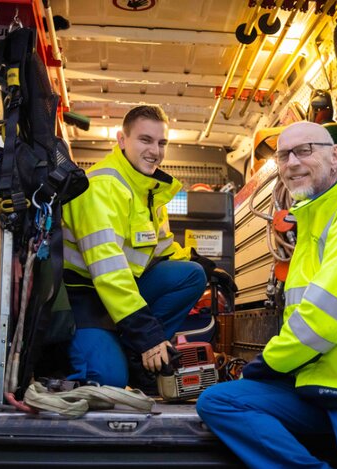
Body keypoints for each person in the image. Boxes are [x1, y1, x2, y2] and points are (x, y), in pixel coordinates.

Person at [197, 121, 337, 468]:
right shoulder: (311, 223)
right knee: (220, 401)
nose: (292, 162)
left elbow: (321, 322)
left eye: (305, 150)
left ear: (335, 154)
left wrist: (263, 368)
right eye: (283, 156)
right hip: (320, 388)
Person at [62, 105, 220, 391]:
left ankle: (137, 354)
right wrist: (147, 334)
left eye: (162, 143)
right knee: (109, 381)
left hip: (124, 292)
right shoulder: (102, 186)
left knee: (192, 275)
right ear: (122, 140)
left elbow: (159, 250)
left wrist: (203, 265)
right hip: (87, 298)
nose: (155, 151)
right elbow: (109, 272)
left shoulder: (147, 189)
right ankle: (138, 348)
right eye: (145, 140)